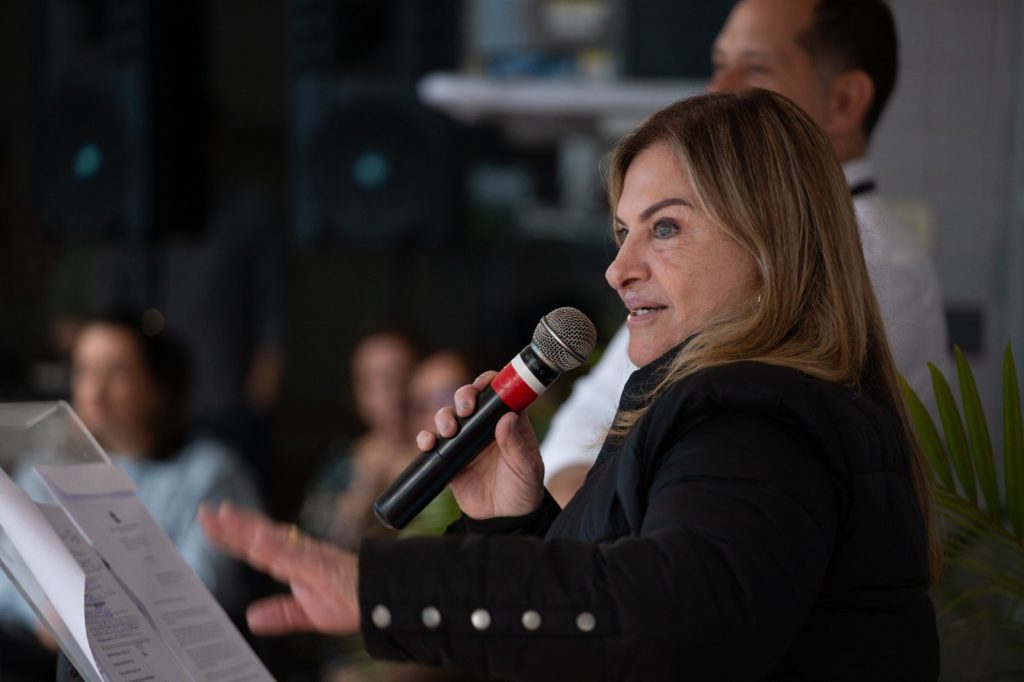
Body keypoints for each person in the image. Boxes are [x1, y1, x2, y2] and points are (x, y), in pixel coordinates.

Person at [199, 90, 940, 680]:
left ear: (772, 243)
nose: (619, 270)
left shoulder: (756, 418)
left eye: (666, 228)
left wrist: (387, 591)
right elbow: (618, 623)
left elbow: (669, 618)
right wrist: (510, 523)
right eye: (622, 233)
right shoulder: (738, 407)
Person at [541, 0, 949, 506]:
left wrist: (593, 516)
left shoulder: (871, 264)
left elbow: (729, 482)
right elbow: (580, 428)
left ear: (844, 100)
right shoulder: (708, 250)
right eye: (718, 64)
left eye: (755, 69)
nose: (716, 89)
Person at [0, 312, 262, 645]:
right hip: (40, 651)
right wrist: (48, 612)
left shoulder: (212, 473)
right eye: (84, 370)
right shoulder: (43, 468)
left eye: (116, 372)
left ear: (158, 387)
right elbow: (8, 571)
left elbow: (199, 588)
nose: (94, 390)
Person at [299, 327, 421, 550]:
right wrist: (363, 490)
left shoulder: (445, 450)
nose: (390, 391)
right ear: (356, 393)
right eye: (371, 380)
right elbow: (312, 542)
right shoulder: (341, 463)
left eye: (402, 373)